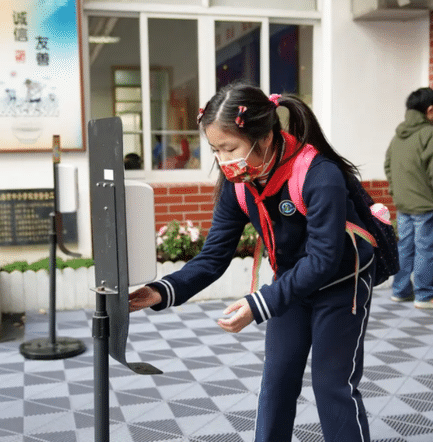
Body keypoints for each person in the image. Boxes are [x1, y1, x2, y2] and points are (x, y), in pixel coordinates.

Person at [129, 83, 376, 441]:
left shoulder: (319, 174)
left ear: (264, 137)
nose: (222, 160)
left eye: (229, 148)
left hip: (341, 284)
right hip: (292, 283)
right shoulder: (239, 182)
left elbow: (323, 260)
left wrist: (258, 303)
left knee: (332, 387)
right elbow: (214, 255)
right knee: (276, 381)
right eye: (215, 150)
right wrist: (161, 291)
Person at [384, 87, 433, 309]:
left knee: (405, 247)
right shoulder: (432, 135)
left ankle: (400, 290)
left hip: (404, 205)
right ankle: (425, 295)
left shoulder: (398, 136)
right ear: (430, 109)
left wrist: (396, 193)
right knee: (426, 249)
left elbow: (388, 166)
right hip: (427, 205)